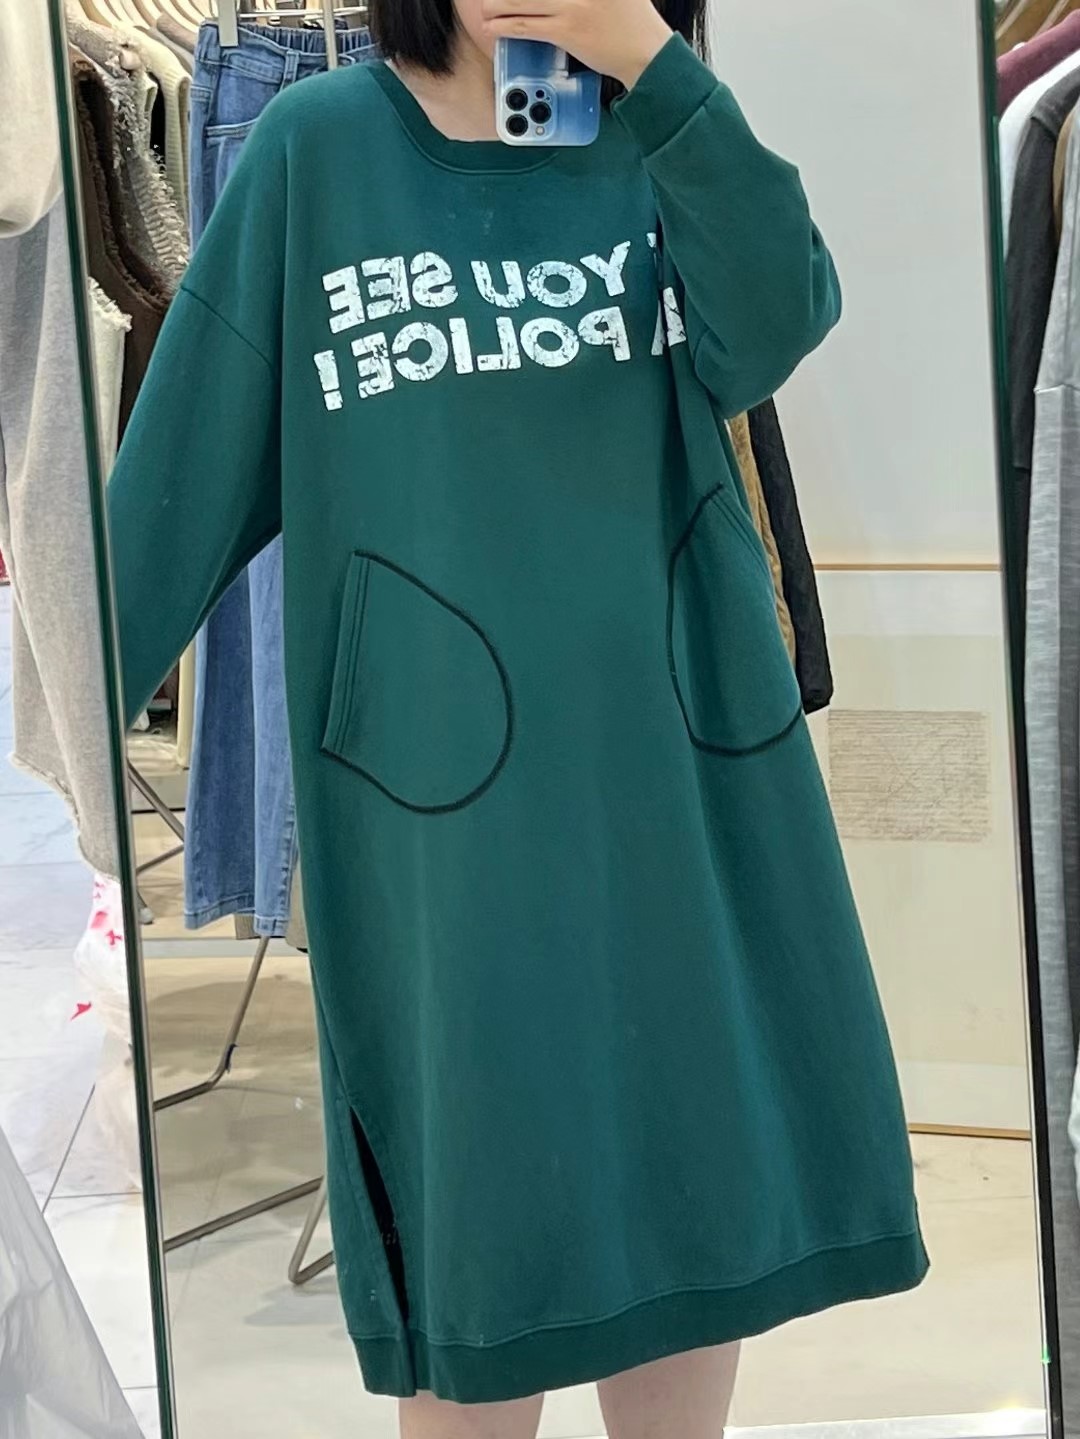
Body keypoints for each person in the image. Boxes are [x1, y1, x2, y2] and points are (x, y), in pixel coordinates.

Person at [107, 0, 929, 1431]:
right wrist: (67, 720)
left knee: (695, 1182)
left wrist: (655, 70)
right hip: (443, 810)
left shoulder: (658, 131)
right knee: (476, 1247)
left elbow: (778, 316)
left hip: (678, 772)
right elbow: (175, 476)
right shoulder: (316, 149)